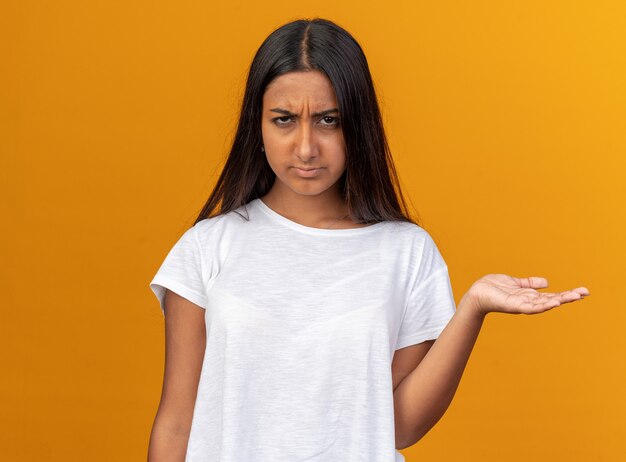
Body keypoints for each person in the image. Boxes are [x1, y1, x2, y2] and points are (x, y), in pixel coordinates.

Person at [146, 18, 589, 462]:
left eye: (328, 121)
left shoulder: (407, 253)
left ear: (357, 127)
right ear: (256, 127)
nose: (305, 147)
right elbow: (178, 422)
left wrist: (471, 309)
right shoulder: (207, 248)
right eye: (284, 120)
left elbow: (399, 425)